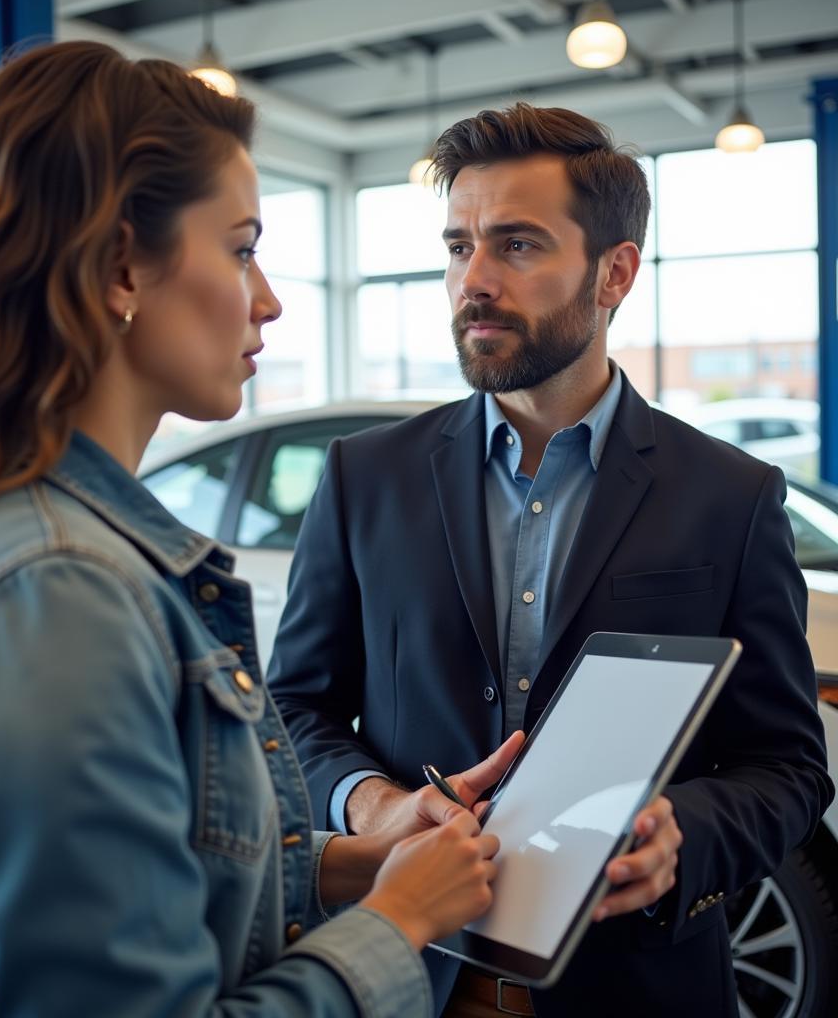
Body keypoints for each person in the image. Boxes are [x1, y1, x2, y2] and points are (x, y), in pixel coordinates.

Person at [0, 41, 523, 1018]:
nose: (268, 298)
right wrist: (396, 923)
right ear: (118, 267)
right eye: (239, 248)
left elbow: (155, 859)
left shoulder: (42, 553)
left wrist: (356, 865)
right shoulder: (53, 591)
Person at [268, 103, 833, 1018]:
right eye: (459, 247)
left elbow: (788, 766)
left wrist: (679, 836)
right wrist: (370, 805)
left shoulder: (731, 496)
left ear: (615, 273)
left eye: (518, 246)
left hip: (636, 988)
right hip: (408, 980)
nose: (473, 282)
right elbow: (295, 705)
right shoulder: (364, 478)